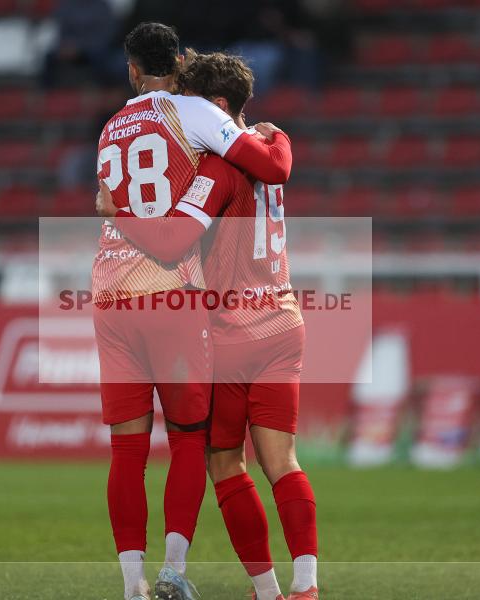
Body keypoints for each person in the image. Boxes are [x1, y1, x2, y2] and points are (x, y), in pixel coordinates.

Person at [96, 51, 319, 600]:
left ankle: (267, 593)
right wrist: (276, 134)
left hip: (230, 327)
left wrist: (115, 212)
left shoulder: (217, 169)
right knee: (283, 460)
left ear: (216, 105)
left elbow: (172, 243)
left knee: (223, 461)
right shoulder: (271, 141)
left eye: (193, 104)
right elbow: (280, 161)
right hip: (284, 319)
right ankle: (307, 588)